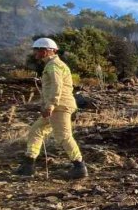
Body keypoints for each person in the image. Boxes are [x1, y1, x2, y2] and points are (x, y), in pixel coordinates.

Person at [15, 38, 87, 179]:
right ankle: (28, 165)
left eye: (38, 50)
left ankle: (79, 166)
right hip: (57, 106)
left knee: (64, 136)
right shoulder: (53, 65)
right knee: (36, 129)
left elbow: (56, 86)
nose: (36, 53)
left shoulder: (54, 65)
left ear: (47, 51)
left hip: (60, 106)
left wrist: (50, 105)